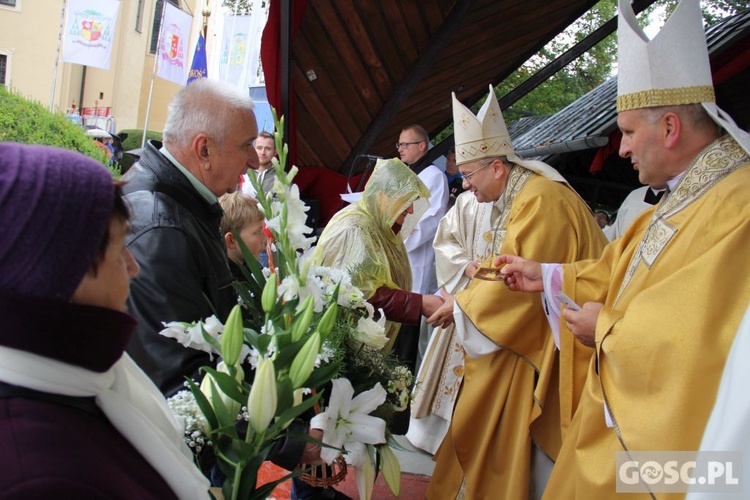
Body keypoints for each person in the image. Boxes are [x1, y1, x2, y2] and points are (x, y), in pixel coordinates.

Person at [498, 1, 750, 497]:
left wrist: (607, 330)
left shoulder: (738, 202)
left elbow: (708, 339)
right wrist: (548, 276)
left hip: (669, 447)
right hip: (620, 416)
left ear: (671, 128)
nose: (623, 149)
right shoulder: (685, 194)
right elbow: (623, 270)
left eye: (630, 132)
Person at [425, 85, 608, 500]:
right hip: (523, 332)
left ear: (497, 168)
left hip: (542, 344)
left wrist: (460, 305)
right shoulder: (518, 193)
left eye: (469, 175)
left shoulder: (541, 199)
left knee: (500, 425)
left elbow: (518, 288)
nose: (466, 185)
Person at [0, 143, 210, 499]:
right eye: (117, 252)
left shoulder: (85, 371)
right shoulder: (39, 477)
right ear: (60, 275)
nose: (133, 266)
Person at [122, 79, 259, 396]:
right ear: (205, 149)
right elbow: (180, 378)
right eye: (245, 145)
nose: (253, 160)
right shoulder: (161, 232)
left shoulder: (182, 204)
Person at [311, 158, 446, 353]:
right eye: (406, 200)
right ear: (382, 195)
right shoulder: (354, 229)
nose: (410, 210)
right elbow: (358, 294)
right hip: (346, 346)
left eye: (413, 201)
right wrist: (419, 304)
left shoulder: (380, 222)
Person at [406, 190, 494, 455]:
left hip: (491, 308)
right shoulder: (467, 202)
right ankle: (430, 437)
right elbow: (444, 241)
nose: (465, 183)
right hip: (461, 292)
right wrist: (464, 266)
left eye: (470, 174)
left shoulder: (521, 204)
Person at [396, 124, 449, 374]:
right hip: (397, 259)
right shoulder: (405, 174)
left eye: (405, 144)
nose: (400, 149)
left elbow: (430, 220)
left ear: (422, 146)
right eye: (399, 145)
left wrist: (397, 241)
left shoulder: (433, 177)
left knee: (407, 341)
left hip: (415, 262)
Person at [219, 191, 267, 268]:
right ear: (230, 240)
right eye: (258, 232)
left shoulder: (254, 268)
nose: (265, 239)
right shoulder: (224, 277)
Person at [241, 131, 277, 198]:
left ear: (275, 152)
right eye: (259, 148)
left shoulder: (282, 178)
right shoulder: (241, 173)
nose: (263, 152)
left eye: (268, 149)